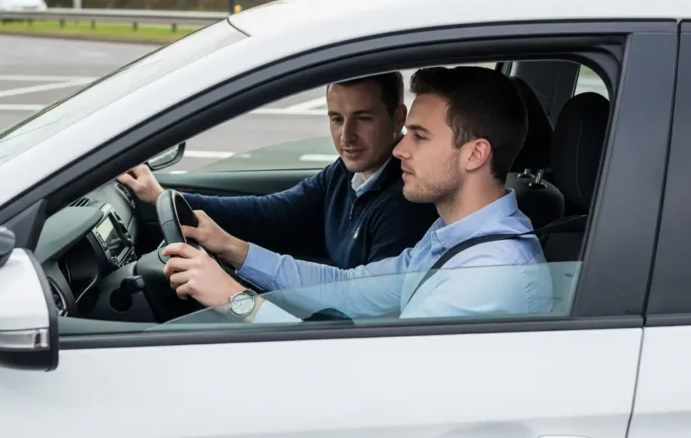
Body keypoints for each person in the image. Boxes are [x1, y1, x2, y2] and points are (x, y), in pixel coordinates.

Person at [160, 66, 554, 323]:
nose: (400, 149)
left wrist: (236, 300)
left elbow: (367, 375)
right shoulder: (451, 237)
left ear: (475, 154)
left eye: (419, 136)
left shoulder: (488, 273)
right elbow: (347, 288)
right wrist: (233, 250)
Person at [119, 72, 440, 271]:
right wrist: (163, 197)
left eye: (363, 118)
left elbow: (367, 301)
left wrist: (236, 287)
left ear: (398, 118)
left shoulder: (405, 201)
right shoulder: (344, 174)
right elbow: (269, 213)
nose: (347, 136)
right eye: (336, 119)